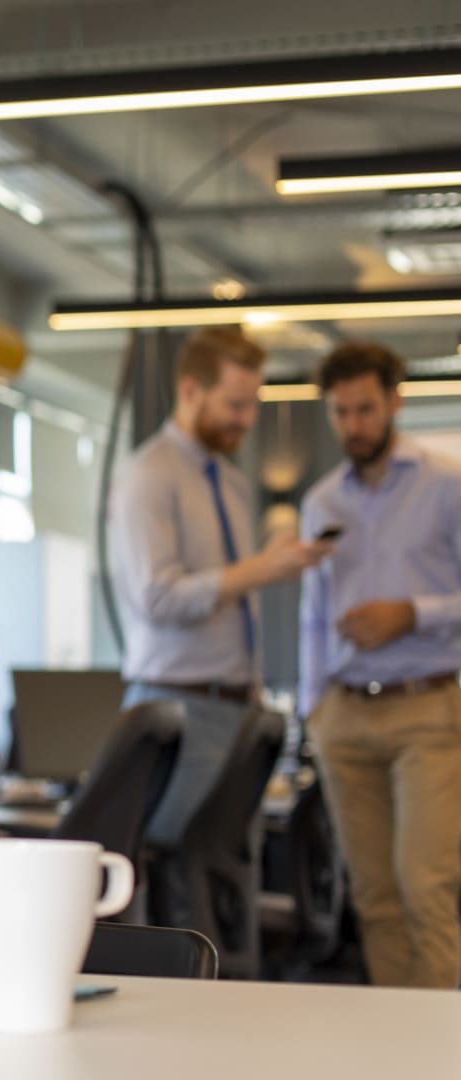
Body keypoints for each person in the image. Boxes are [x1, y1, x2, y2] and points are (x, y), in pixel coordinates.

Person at [108, 326, 329, 845]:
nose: (247, 420)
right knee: (174, 872)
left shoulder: (228, 479)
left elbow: (229, 598)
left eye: (253, 404)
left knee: (231, 872)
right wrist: (263, 569)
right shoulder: (148, 474)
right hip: (176, 706)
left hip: (237, 707)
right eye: (235, 404)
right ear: (190, 391)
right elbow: (157, 598)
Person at [299, 342, 461, 989]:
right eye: (341, 413)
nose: (354, 426)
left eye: (366, 409)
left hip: (426, 707)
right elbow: (313, 614)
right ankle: (400, 1054)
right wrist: (314, 708)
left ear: (395, 401)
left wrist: (412, 613)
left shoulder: (446, 486)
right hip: (344, 715)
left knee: (425, 887)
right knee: (374, 898)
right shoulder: (321, 502)